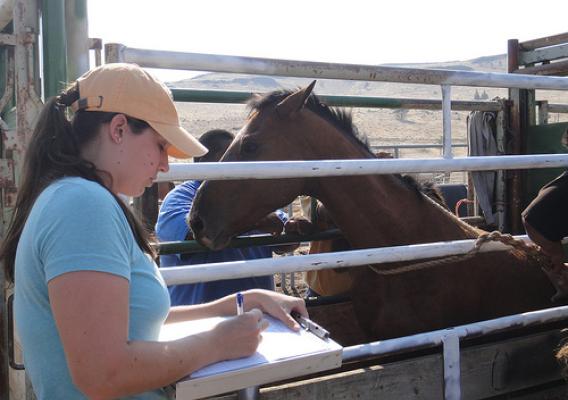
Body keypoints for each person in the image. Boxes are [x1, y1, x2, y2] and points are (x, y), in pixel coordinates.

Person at [0, 63, 306, 400]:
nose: (164, 165)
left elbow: (133, 319)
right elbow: (102, 373)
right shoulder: (83, 205)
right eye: (160, 145)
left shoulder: (74, 198)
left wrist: (243, 301)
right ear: (118, 129)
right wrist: (217, 344)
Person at [156, 129, 304, 305]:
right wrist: (258, 221)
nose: (236, 163)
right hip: (199, 317)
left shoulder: (249, 194)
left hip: (255, 315)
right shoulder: (180, 198)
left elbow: (282, 237)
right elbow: (195, 233)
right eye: (227, 157)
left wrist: (294, 229)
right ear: (204, 161)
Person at [522, 170, 568, 301]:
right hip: (537, 221)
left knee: (555, 258)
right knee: (556, 258)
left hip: (536, 219)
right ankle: (561, 282)